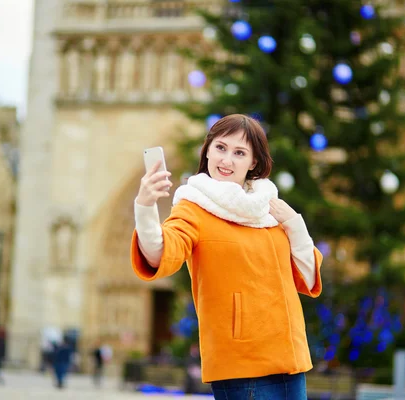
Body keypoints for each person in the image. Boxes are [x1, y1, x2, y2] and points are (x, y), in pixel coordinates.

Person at [131, 114, 323, 400]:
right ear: (207, 150)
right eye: (220, 148)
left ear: (254, 162)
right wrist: (145, 205)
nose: (227, 160)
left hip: (291, 360)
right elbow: (160, 252)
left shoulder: (270, 208)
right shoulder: (193, 207)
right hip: (241, 364)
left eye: (239, 153)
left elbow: (307, 277)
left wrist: (295, 225)